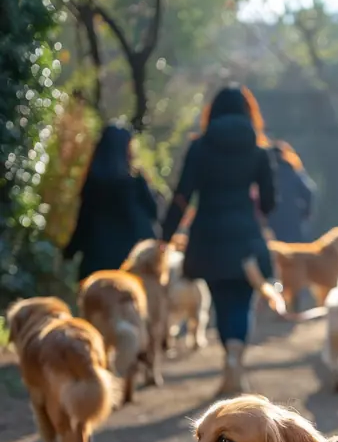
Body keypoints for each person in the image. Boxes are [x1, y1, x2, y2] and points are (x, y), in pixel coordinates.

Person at [161, 84, 276, 395]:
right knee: (242, 299)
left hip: (208, 237)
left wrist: (165, 235)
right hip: (245, 236)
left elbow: (183, 195)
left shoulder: (199, 148)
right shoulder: (258, 150)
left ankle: (229, 356)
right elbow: (268, 203)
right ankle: (236, 355)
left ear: (212, 113)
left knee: (222, 300)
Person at [63, 123, 157, 280]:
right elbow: (154, 212)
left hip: (96, 260)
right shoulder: (135, 182)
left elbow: (83, 221)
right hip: (130, 263)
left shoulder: (93, 182)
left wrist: (69, 252)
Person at [268, 140, 316, 244]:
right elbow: (309, 191)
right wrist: (305, 213)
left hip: (272, 219)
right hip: (292, 220)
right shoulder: (293, 172)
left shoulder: (266, 172)